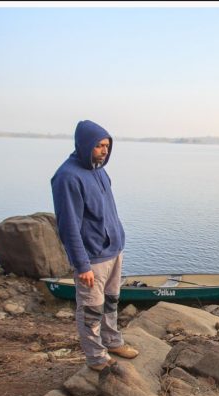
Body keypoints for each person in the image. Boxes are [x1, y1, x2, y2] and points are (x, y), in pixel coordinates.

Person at [51, 120, 139, 372]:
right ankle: (96, 358)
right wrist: (82, 264)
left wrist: (118, 241)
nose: (104, 151)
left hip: (113, 250)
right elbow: (68, 227)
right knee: (91, 308)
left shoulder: (99, 170)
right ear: (84, 145)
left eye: (107, 146)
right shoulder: (67, 177)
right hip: (93, 258)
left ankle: (112, 341)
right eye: (99, 146)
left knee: (111, 301)